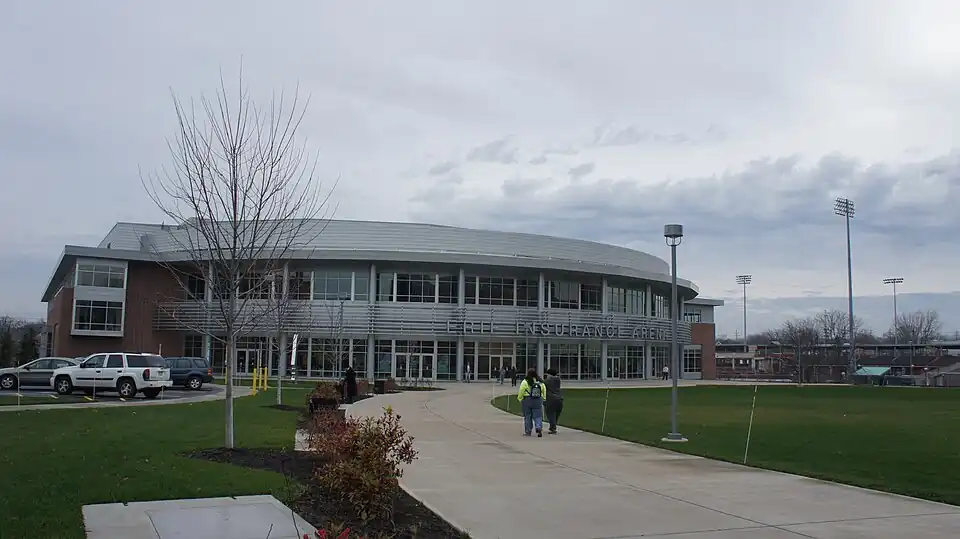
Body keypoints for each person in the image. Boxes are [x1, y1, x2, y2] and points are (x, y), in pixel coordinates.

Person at [517, 368, 547, 437]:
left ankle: (528, 431)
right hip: (538, 399)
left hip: (527, 399)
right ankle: (538, 427)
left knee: (527, 416)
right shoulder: (539, 381)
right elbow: (544, 389)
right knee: (538, 415)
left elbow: (521, 390)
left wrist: (520, 398)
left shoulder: (525, 381)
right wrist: (544, 398)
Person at [543, 368, 564, 434]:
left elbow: (542, 384)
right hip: (559, 398)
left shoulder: (547, 381)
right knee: (556, 415)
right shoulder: (558, 380)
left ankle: (553, 428)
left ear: (549, 374)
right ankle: (553, 426)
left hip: (551, 399)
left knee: (550, 413)